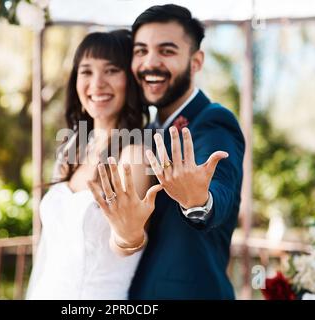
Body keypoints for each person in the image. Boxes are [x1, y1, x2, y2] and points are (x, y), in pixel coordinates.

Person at [90, 5, 246, 299]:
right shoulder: (144, 132)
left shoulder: (213, 121)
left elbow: (219, 188)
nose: (150, 62)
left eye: (167, 51)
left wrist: (199, 200)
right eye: (140, 51)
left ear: (196, 61)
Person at [25, 29, 163, 300]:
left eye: (111, 70)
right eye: (86, 71)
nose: (97, 83)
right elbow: (48, 254)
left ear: (131, 81)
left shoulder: (134, 154)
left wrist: (128, 235)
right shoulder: (73, 149)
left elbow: (127, 242)